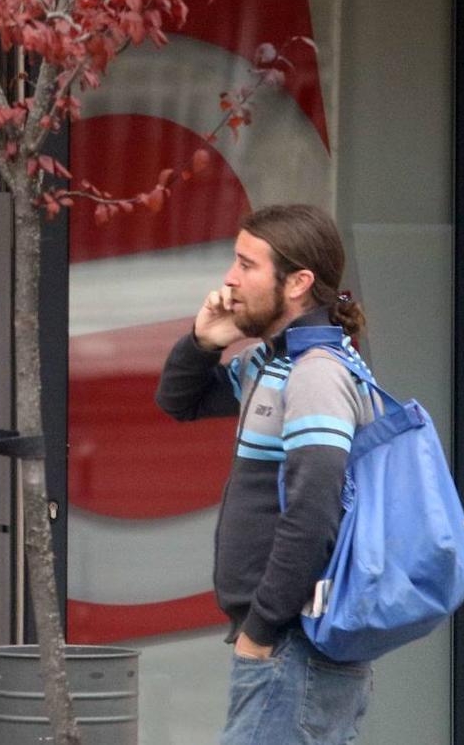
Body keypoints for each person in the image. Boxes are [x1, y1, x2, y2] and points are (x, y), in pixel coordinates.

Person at [155, 204, 373, 744]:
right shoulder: (270, 364)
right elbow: (178, 402)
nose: (230, 278)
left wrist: (261, 628)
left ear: (297, 282)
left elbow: (313, 515)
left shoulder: (315, 376)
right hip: (285, 646)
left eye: (247, 265)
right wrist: (205, 340)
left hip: (293, 646)